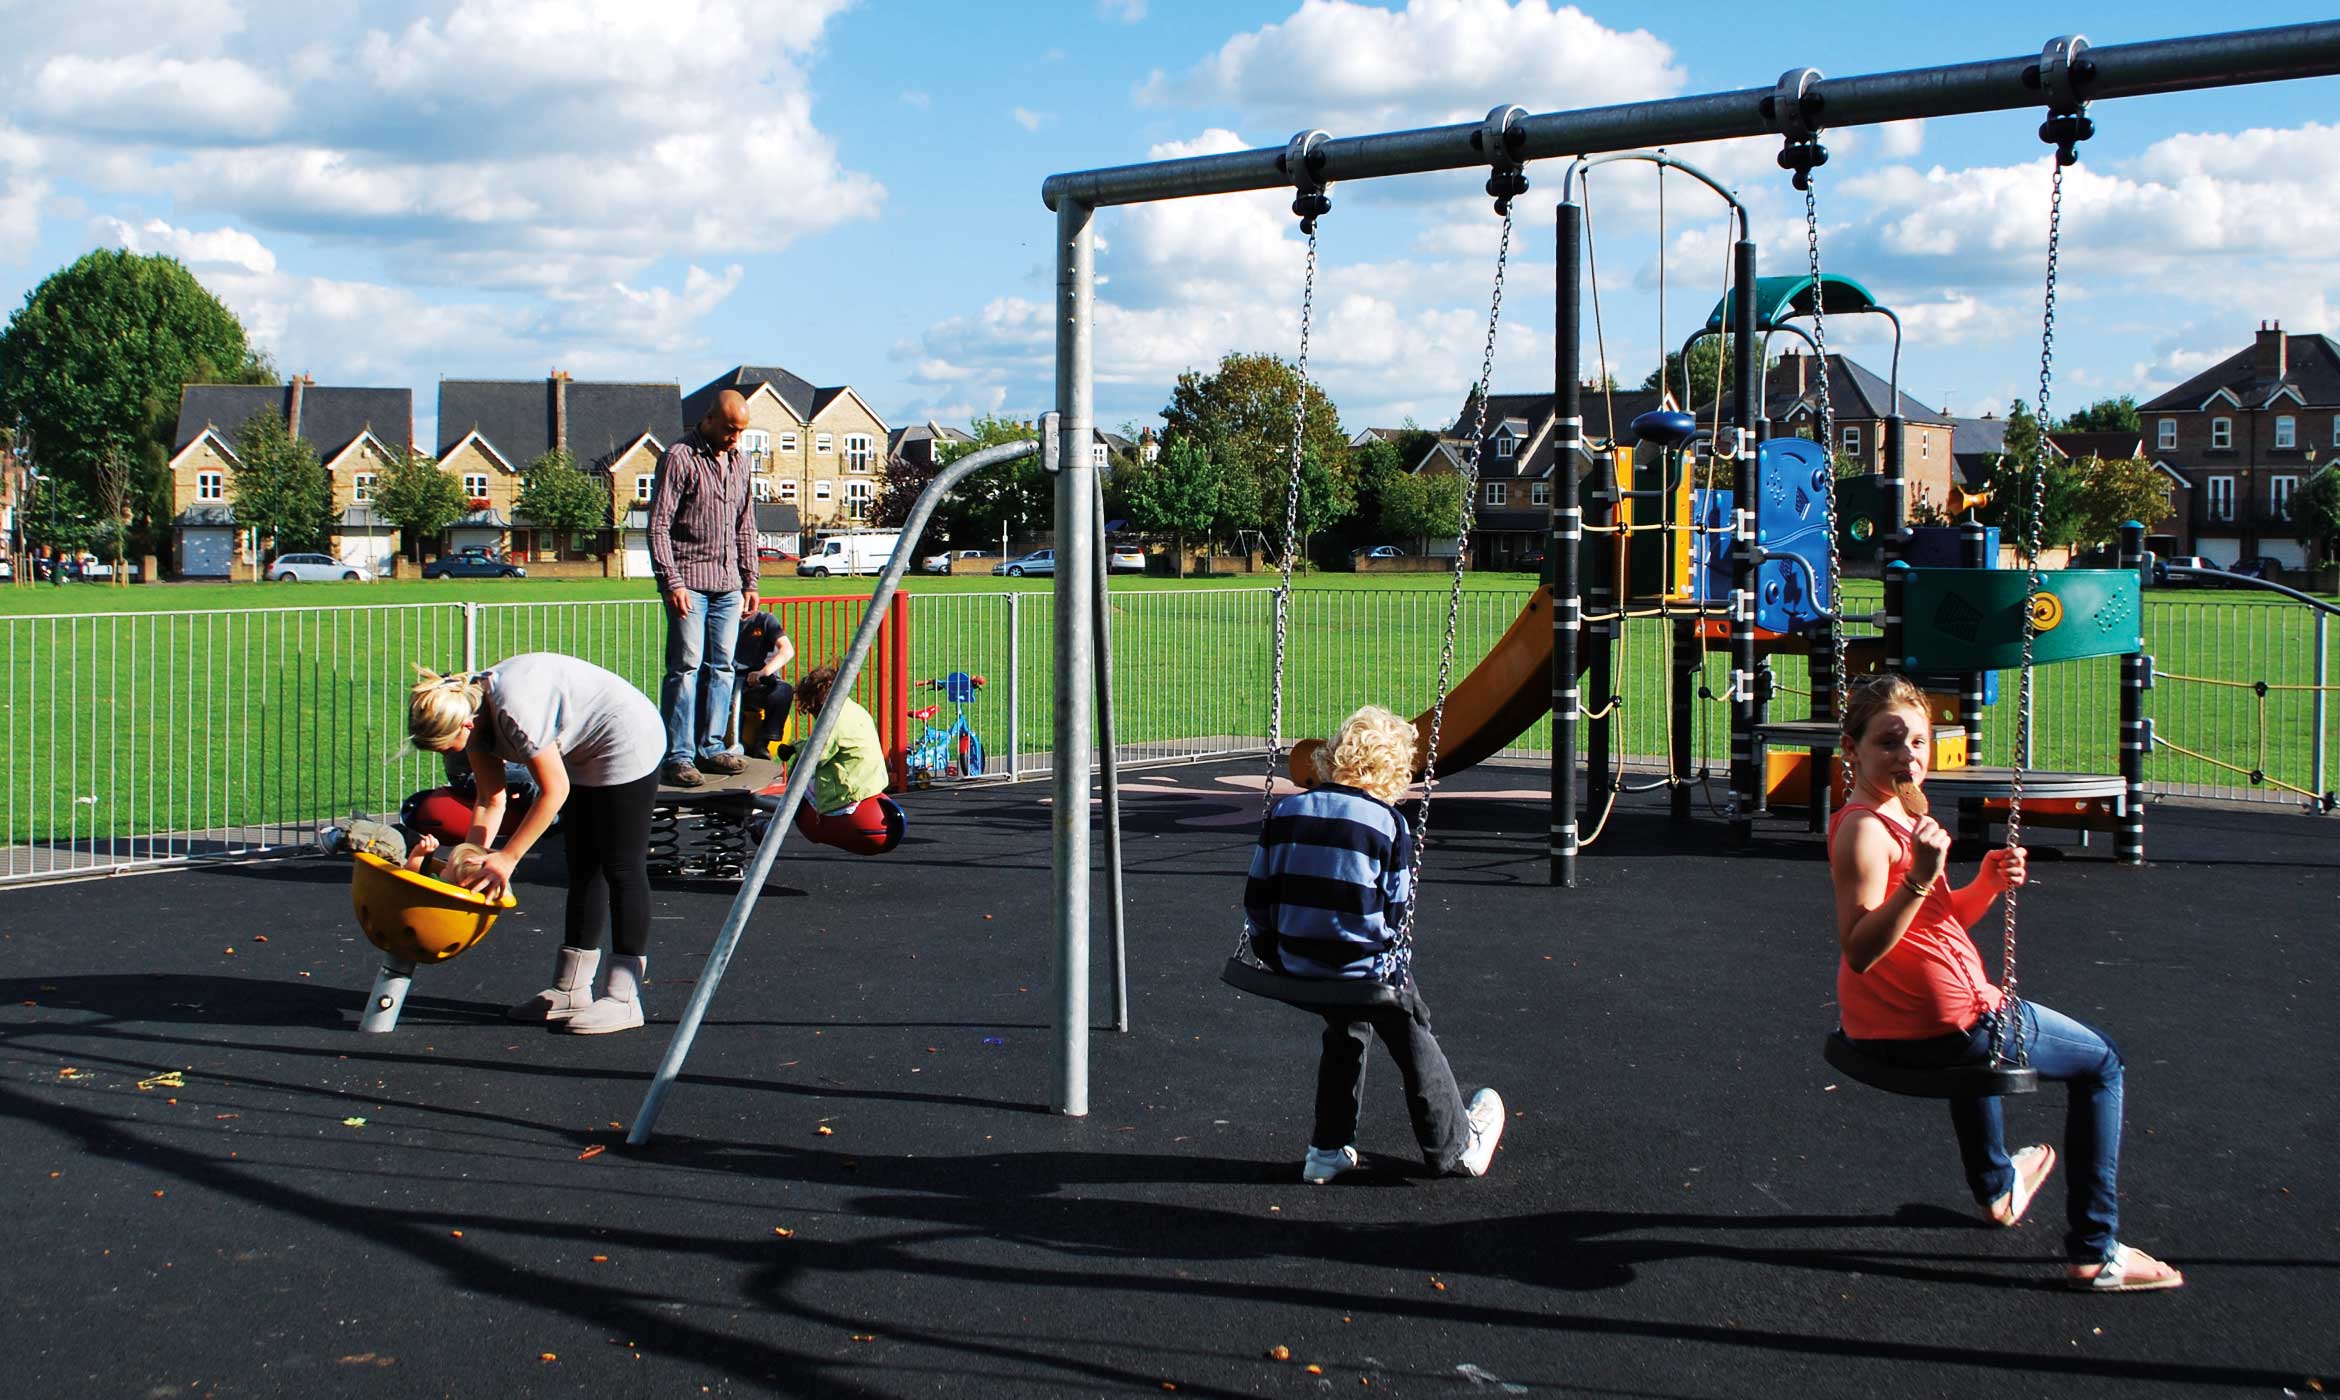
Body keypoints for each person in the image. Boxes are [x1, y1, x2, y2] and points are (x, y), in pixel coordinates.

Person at [1829, 674, 2182, 1292]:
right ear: (1851, 750)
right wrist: (1918, 879)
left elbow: (1933, 921)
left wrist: (1985, 883)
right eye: (1890, 742)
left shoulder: (1905, 814)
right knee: (2102, 1064)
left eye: (1919, 740)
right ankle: (2097, 1251)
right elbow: (1860, 950)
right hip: (1932, 1023)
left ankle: (1996, 1187)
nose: (1909, 755)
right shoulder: (1863, 828)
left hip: (1912, 1020)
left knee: (1977, 1040)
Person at [1243, 704, 1504, 1185]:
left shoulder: (1286, 810)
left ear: (1336, 756)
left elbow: (1257, 894)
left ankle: (1327, 1148)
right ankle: (1456, 1144)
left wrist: (1270, 950)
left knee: (1347, 1022)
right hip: (1360, 968)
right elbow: (1396, 915)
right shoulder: (1388, 825)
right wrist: (1396, 979)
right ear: (1394, 770)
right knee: (1407, 1019)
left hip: (1294, 962)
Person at [408, 653, 666, 1034]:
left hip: (626, 738)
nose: (449, 755)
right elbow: (489, 800)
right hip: (580, 749)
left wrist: (508, 858)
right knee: (581, 864)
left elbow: (554, 791)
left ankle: (624, 998)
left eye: (448, 746)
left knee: (621, 866)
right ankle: (571, 989)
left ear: (465, 723)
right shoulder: (474, 717)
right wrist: (466, 861)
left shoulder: (514, 712)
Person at [650, 388, 760, 787]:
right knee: (685, 667)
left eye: (741, 432)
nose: (735, 438)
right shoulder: (680, 457)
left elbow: (745, 526)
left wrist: (751, 580)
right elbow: (659, 526)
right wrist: (671, 581)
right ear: (710, 419)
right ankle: (678, 755)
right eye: (730, 429)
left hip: (729, 584)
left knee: (723, 667)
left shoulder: (741, 462)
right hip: (689, 584)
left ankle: (712, 747)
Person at [780, 660, 905, 855]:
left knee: (796, 789)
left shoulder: (832, 721)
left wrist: (794, 747)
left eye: (812, 710)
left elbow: (816, 755)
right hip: (871, 783)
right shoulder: (854, 710)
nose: (813, 715)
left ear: (817, 702)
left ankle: (774, 827)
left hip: (847, 792)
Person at [735, 602, 796, 757]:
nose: (745, 607)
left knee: (784, 690)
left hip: (761, 681)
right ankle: (733, 742)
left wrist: (763, 672)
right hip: (732, 681)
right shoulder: (724, 621)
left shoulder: (765, 620)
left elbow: (787, 650)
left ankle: (765, 742)